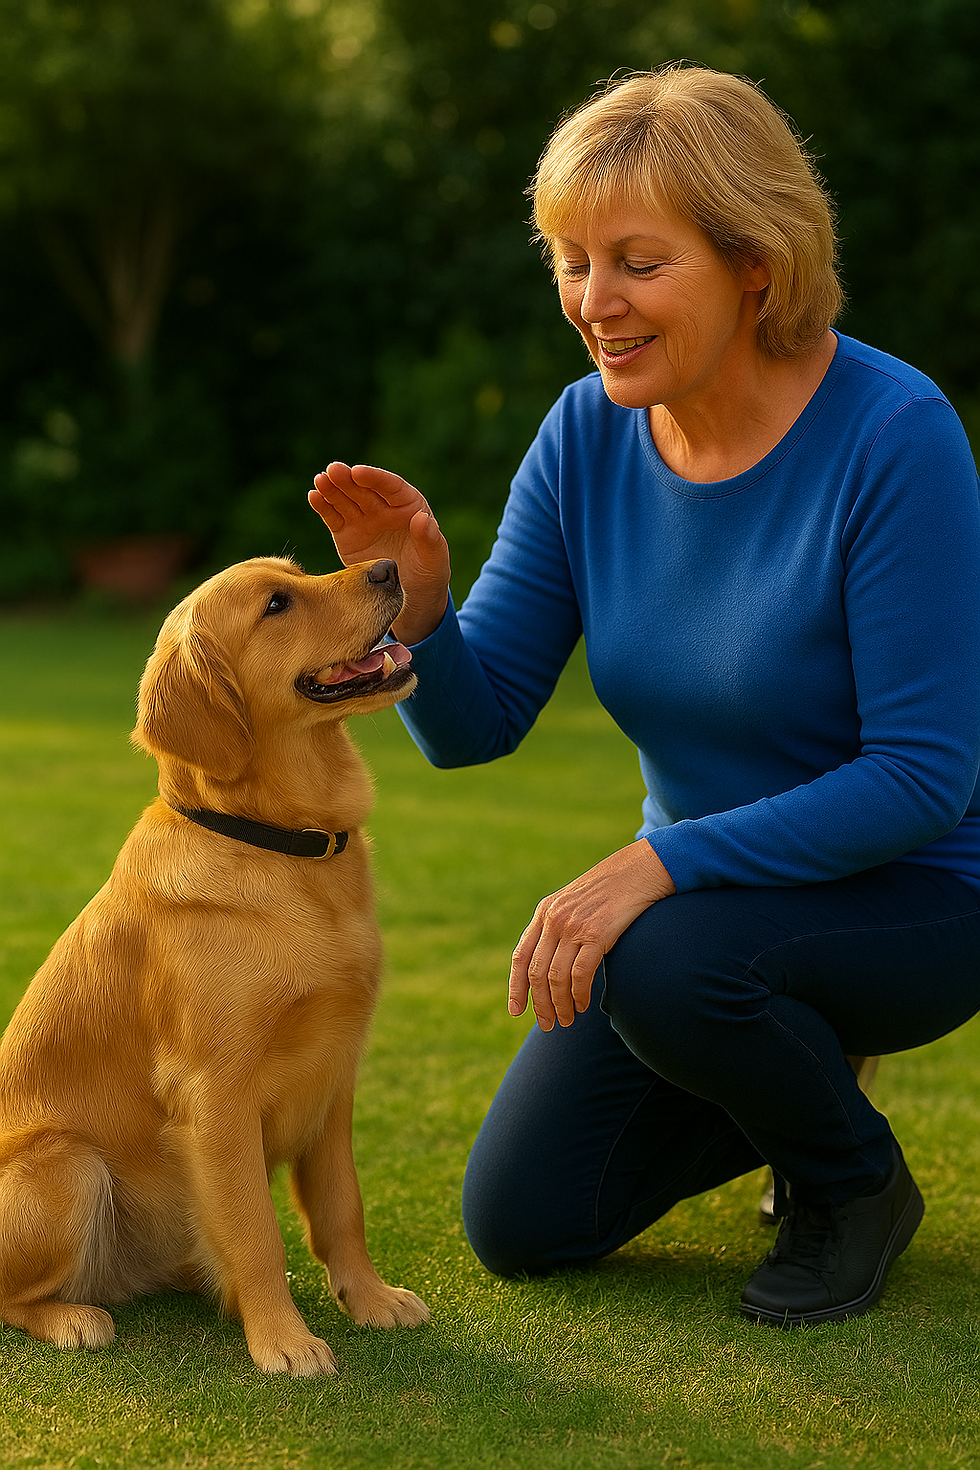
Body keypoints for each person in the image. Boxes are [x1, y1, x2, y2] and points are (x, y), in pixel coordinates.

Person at [308, 64, 980, 1328]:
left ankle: (851, 1183)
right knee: (524, 1223)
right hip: (707, 919)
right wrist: (420, 606)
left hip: (918, 896)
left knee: (659, 962)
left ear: (754, 263)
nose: (591, 303)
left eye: (635, 262)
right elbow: (472, 723)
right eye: (569, 259)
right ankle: (802, 1083)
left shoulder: (896, 434)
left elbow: (920, 775)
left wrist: (654, 868)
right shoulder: (583, 434)